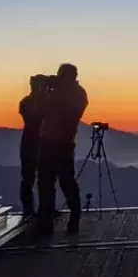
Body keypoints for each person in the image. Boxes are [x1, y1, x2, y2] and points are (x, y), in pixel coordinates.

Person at [35, 63, 88, 235]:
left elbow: (70, 111)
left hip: (62, 143)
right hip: (48, 142)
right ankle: (45, 221)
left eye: (60, 74)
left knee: (66, 182)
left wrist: (51, 91)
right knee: (45, 183)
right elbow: (39, 110)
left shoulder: (77, 93)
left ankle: (74, 217)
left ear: (69, 76)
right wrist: (42, 92)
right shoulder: (60, 92)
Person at [18, 74, 48, 217]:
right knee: (31, 178)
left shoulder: (26, 101)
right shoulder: (27, 102)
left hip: (33, 141)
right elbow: (36, 118)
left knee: (42, 178)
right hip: (34, 141)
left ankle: (42, 208)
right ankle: (30, 209)